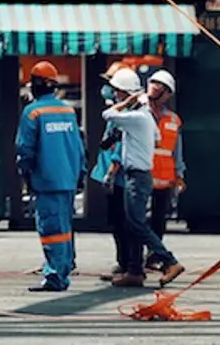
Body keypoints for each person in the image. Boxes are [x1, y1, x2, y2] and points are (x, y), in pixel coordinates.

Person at [103, 67, 183, 287]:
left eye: (118, 92)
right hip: (143, 175)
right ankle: (135, 271)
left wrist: (127, 104)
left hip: (138, 177)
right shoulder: (145, 117)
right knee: (133, 223)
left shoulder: (138, 117)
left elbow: (107, 114)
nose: (114, 96)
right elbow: (156, 139)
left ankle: (169, 261)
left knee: (137, 224)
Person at [16, 62, 85, 293]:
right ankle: (62, 268)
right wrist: (79, 175)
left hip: (46, 181)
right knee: (64, 228)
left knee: (51, 230)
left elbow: (25, 149)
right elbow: (78, 147)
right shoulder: (68, 111)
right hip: (67, 178)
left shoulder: (32, 112)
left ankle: (56, 275)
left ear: (34, 85)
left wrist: (25, 173)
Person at [91, 65, 129, 280]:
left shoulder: (124, 114)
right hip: (112, 175)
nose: (108, 89)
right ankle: (122, 262)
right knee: (115, 221)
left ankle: (127, 264)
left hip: (120, 178)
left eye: (112, 85)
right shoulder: (117, 113)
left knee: (123, 222)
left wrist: (112, 171)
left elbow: (121, 145)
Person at [145, 70, 184, 268]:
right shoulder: (141, 114)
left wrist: (179, 175)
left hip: (164, 177)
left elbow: (177, 151)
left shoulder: (174, 120)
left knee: (159, 219)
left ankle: (154, 255)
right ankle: (135, 258)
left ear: (169, 94)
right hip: (143, 175)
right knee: (139, 219)